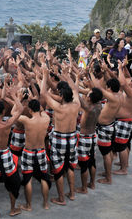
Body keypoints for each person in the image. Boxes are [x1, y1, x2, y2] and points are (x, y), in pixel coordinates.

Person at [41, 65, 80, 205]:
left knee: (58, 170)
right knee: (70, 167)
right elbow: (75, 90)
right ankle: (72, 194)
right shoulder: (77, 105)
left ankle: (61, 198)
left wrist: (45, 75)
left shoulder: (58, 107)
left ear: (61, 96)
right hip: (72, 137)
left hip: (59, 138)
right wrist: (67, 76)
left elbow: (43, 93)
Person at [0, 86, 24, 218]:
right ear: (3, 111)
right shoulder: (7, 124)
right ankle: (13, 209)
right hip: (5, 154)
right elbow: (21, 109)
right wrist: (14, 96)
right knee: (12, 181)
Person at [17, 99, 51, 211]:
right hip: (41, 150)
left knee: (28, 178)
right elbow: (43, 110)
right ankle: (45, 204)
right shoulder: (46, 119)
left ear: (30, 110)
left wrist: (19, 98)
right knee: (44, 177)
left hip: (29, 151)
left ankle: (29, 205)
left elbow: (14, 113)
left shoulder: (27, 120)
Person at [113, 62, 132, 175]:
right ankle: (124, 163)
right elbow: (126, 77)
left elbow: (121, 82)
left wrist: (119, 68)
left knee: (121, 146)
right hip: (126, 120)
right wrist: (125, 66)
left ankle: (123, 169)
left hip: (125, 122)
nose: (129, 80)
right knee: (125, 144)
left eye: (131, 80)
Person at [91, 75, 123, 185]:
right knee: (108, 151)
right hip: (109, 126)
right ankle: (107, 173)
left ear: (110, 88)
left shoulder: (113, 98)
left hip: (105, 128)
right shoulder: (119, 95)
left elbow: (99, 88)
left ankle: (108, 178)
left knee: (106, 154)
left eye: (107, 87)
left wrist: (90, 73)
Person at [75, 87, 103, 194]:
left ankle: (84, 188)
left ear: (90, 99)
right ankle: (92, 183)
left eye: (88, 95)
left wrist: (75, 81)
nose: (86, 95)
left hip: (84, 137)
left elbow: (76, 92)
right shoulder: (99, 105)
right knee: (92, 161)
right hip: (92, 136)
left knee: (84, 164)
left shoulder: (88, 108)